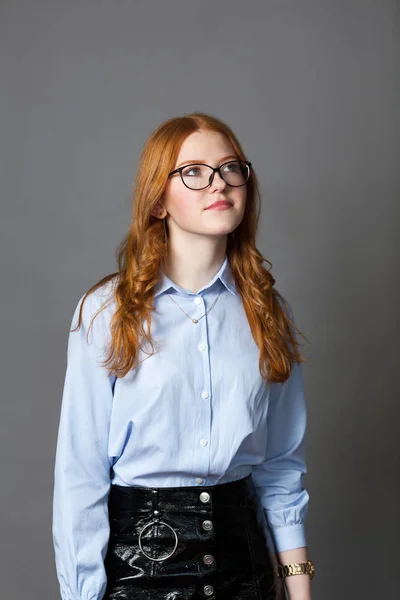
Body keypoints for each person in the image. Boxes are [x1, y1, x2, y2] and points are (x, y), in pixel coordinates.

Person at [52, 112, 314, 600]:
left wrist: (299, 590)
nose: (219, 182)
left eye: (231, 167)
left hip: (247, 572)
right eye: (193, 171)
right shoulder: (106, 312)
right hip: (138, 572)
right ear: (157, 201)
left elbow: (280, 468)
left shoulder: (268, 311)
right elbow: (80, 477)